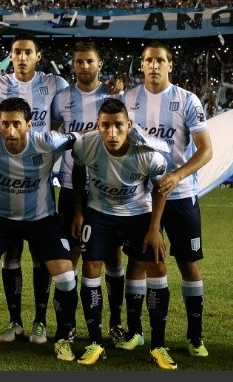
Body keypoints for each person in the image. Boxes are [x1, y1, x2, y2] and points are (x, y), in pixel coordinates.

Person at [0, 97, 79, 361]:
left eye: (16, 124)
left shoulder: (46, 142)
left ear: (29, 124)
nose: (10, 131)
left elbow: (80, 138)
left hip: (41, 219)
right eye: (5, 124)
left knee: (66, 277)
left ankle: (62, 338)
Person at [118, 41, 213, 366]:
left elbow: (205, 150)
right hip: (140, 197)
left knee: (188, 263)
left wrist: (178, 174)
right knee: (142, 261)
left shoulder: (187, 100)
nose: (154, 65)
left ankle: (195, 336)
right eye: (148, 60)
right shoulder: (127, 100)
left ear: (169, 65)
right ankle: (135, 332)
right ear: (141, 65)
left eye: (160, 60)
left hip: (181, 194)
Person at [0, 32, 69, 345]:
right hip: (7, 171)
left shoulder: (56, 84)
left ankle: (40, 322)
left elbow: (65, 121)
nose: (21, 57)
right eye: (16, 52)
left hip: (38, 175)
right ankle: (15, 321)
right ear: (11, 55)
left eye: (27, 52)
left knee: (41, 253)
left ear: (37, 55)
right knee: (11, 253)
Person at [69, 97, 171, 368]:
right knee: (91, 267)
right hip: (99, 212)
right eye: (105, 126)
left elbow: (161, 188)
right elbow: (78, 173)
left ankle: (158, 345)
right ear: (97, 126)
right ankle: (95, 343)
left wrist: (154, 228)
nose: (111, 133)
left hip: (138, 213)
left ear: (129, 125)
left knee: (158, 268)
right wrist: (79, 209)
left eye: (117, 126)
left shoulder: (147, 152)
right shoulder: (85, 146)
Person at [50, 41, 127, 345]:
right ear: (74, 65)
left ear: (99, 65)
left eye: (89, 61)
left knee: (112, 255)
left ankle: (116, 323)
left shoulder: (112, 96)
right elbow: (56, 132)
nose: (84, 66)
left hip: (106, 190)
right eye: (79, 61)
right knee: (71, 256)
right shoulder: (62, 98)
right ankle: (67, 326)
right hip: (71, 188)